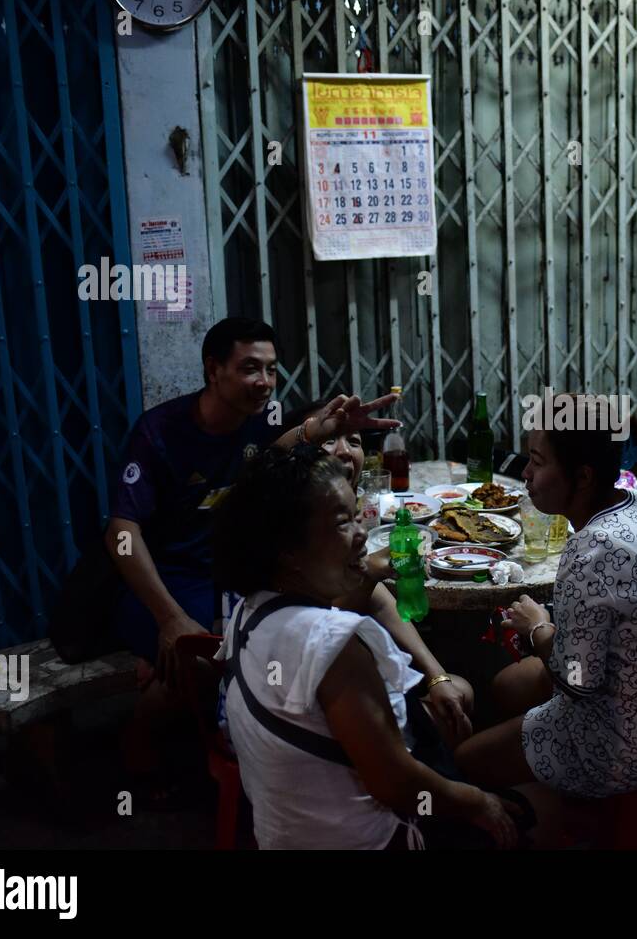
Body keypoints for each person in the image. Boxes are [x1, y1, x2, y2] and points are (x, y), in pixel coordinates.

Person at [104, 317, 397, 800]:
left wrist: (320, 431)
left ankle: (271, 748)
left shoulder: (265, 418)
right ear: (212, 370)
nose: (263, 382)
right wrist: (169, 617)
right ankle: (139, 748)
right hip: (165, 576)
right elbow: (122, 531)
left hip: (230, 568)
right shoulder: (160, 431)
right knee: (200, 654)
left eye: (271, 370)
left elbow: (267, 461)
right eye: (249, 369)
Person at [212, 444, 524, 849]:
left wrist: (436, 679)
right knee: (539, 809)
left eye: (358, 515)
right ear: (288, 550)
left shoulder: (251, 615)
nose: (363, 535)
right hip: (372, 839)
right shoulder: (333, 645)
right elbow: (396, 784)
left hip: (286, 836)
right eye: (344, 523)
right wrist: (479, 803)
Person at [454, 405, 637, 799]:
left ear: (582, 476)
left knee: (464, 760)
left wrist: (537, 629)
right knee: (507, 686)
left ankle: (552, 809)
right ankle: (544, 786)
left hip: (636, 743)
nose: (525, 474)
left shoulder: (590, 552)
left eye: (537, 461)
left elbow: (578, 684)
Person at [273, 400, 474, 745]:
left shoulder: (334, 537)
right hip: (308, 710)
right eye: (330, 439)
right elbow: (326, 626)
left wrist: (437, 678)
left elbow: (379, 603)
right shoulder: (286, 539)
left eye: (354, 441)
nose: (344, 452)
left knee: (457, 689)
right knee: (455, 709)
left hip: (343, 682)